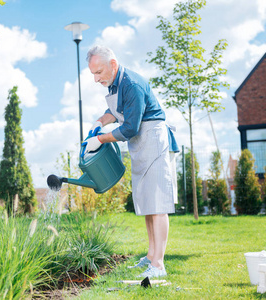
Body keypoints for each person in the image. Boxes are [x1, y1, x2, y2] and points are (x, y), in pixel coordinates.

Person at [84, 45, 179, 279]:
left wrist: (101, 139)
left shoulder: (132, 84)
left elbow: (130, 127)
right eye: (93, 74)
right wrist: (100, 121)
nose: (96, 79)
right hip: (140, 144)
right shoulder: (116, 83)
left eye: (98, 72)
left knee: (157, 205)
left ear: (113, 65)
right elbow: (115, 111)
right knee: (148, 204)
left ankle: (158, 265)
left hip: (153, 140)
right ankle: (150, 256)